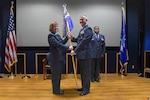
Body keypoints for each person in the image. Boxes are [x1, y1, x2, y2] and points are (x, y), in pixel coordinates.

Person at [70, 15, 93, 96]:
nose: (81, 21)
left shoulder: (88, 29)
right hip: (82, 55)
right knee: (83, 73)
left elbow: (84, 42)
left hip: (86, 55)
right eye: (80, 19)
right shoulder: (82, 30)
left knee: (86, 73)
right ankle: (84, 87)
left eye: (82, 19)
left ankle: (86, 90)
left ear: (86, 20)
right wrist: (72, 39)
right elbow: (79, 40)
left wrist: (75, 51)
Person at [48, 21, 73, 95]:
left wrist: (67, 37)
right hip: (55, 60)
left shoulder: (57, 36)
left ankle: (57, 89)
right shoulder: (51, 36)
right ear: (52, 28)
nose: (57, 27)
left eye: (57, 26)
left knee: (58, 75)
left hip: (61, 58)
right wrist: (68, 48)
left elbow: (62, 42)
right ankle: (56, 91)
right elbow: (58, 45)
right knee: (56, 76)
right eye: (55, 26)